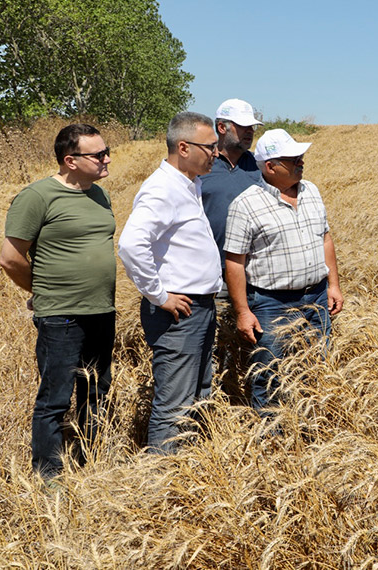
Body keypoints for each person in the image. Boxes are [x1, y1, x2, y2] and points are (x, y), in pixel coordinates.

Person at [0, 123, 116, 479]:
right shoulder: (37, 197)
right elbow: (10, 258)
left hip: (102, 310)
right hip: (61, 316)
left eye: (107, 151)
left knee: (96, 391)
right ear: (70, 160)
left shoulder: (100, 195)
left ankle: (88, 463)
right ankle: (48, 476)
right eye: (98, 154)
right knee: (55, 398)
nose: (107, 159)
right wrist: (43, 291)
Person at [118, 111, 224, 454]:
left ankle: (187, 467)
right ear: (183, 147)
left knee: (197, 395)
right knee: (175, 404)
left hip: (198, 307)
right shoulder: (162, 189)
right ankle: (161, 475)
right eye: (210, 147)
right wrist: (160, 296)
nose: (217, 153)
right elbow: (131, 245)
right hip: (179, 313)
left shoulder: (189, 184)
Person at [223, 129, 344, 411]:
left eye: (300, 157)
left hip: (316, 298)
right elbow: (234, 261)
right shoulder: (245, 204)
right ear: (270, 166)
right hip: (271, 304)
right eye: (293, 159)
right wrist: (243, 312)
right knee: (269, 377)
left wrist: (333, 285)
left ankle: (310, 426)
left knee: (316, 370)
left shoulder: (311, 191)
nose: (301, 162)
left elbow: (325, 239)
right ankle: (273, 433)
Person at [199, 98, 264, 254]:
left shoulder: (260, 165)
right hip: (211, 263)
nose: (250, 131)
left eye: (252, 126)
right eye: (243, 126)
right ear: (222, 127)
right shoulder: (200, 166)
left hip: (254, 264)